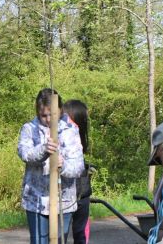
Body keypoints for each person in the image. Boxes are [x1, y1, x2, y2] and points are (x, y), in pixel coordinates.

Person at [17, 88, 84, 244]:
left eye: (51, 115)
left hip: (64, 201)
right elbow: (24, 153)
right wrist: (43, 150)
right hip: (37, 200)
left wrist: (64, 165)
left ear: (60, 110)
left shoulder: (70, 130)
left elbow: (78, 166)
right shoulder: (29, 129)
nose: (47, 119)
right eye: (43, 115)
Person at [63, 100, 94, 244]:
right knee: (60, 234)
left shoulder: (79, 138)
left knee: (81, 234)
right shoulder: (61, 134)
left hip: (81, 193)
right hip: (65, 194)